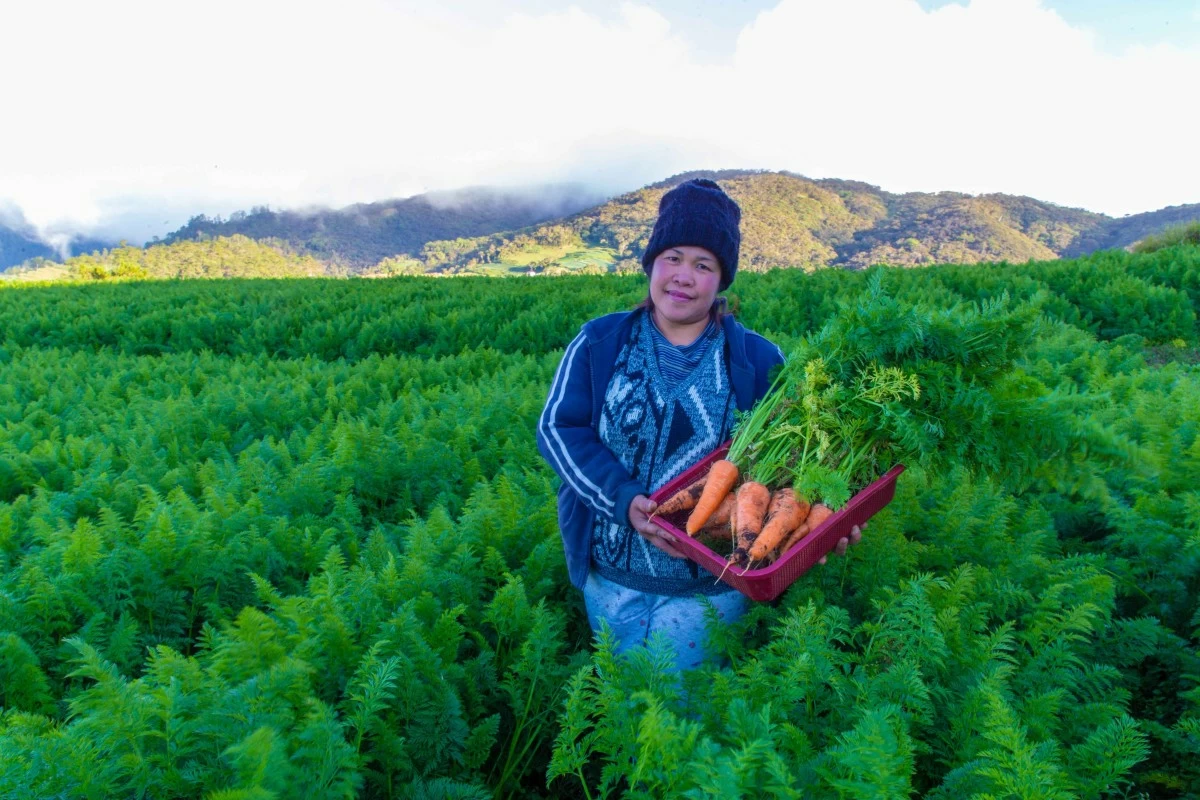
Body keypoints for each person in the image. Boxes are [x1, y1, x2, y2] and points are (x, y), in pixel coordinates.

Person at [537, 178, 860, 672]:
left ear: (722, 279)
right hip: (611, 581)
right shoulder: (600, 343)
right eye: (672, 257)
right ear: (650, 263)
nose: (683, 276)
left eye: (703, 265)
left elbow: (797, 466)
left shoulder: (756, 360)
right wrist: (623, 502)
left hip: (713, 592)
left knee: (689, 721)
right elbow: (559, 430)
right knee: (621, 711)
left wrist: (821, 523)